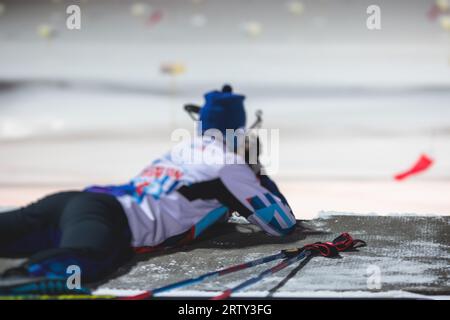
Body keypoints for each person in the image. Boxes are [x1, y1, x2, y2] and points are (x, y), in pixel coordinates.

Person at [0, 85, 295, 295]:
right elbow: (281, 224)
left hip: (76, 203)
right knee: (87, 262)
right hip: (111, 219)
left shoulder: (185, 148)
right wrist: (257, 171)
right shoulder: (229, 164)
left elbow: (203, 203)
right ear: (238, 130)